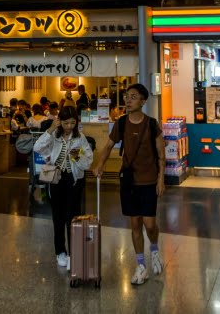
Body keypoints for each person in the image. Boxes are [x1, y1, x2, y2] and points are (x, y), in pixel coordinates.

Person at [94, 83, 166, 286]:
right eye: (127, 96)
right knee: (135, 223)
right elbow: (108, 146)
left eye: (133, 96)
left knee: (149, 224)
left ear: (143, 101)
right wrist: (99, 165)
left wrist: (161, 179)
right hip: (129, 180)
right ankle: (141, 265)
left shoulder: (152, 125)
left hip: (149, 180)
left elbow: (161, 156)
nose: (128, 100)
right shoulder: (122, 123)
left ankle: (154, 248)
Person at [33, 106, 94, 268]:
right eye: (66, 123)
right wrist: (51, 129)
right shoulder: (54, 135)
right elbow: (37, 147)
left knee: (73, 218)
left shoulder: (80, 137)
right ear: (60, 122)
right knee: (58, 217)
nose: (69, 126)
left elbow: (88, 161)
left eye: (72, 123)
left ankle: (74, 253)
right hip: (55, 179)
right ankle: (60, 252)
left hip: (74, 180)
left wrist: (75, 154)